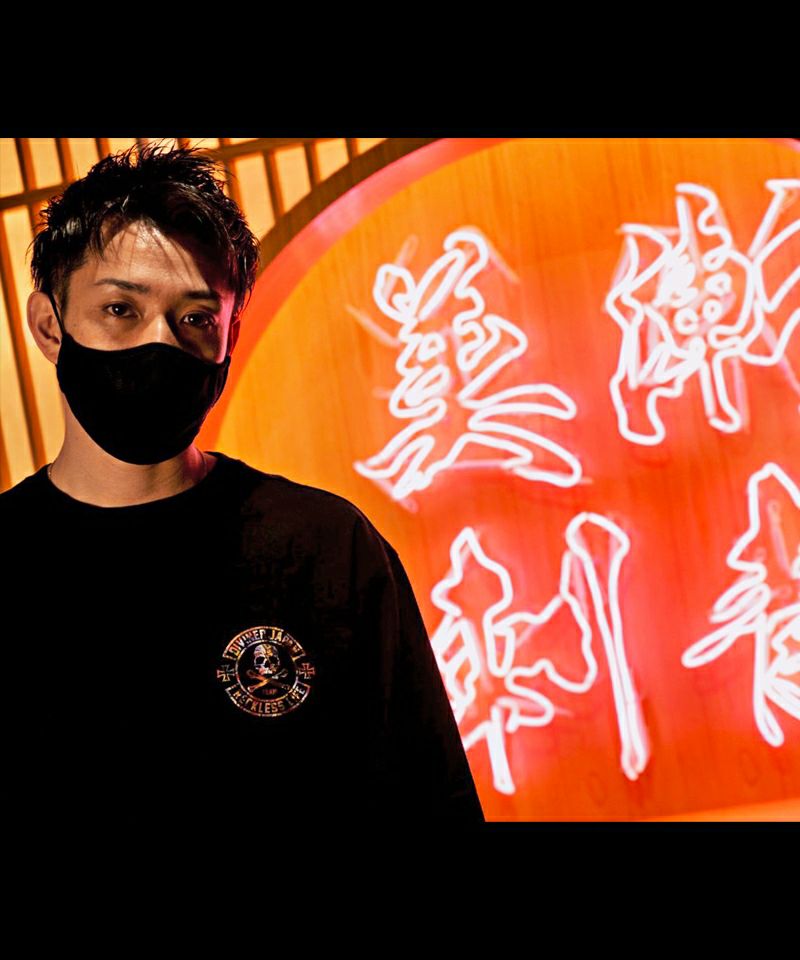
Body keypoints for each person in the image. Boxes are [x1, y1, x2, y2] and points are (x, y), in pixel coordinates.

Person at [1, 143, 485, 834]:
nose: (160, 343)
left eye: (196, 318)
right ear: (51, 326)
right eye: (120, 309)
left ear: (229, 339)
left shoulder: (327, 547)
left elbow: (428, 802)